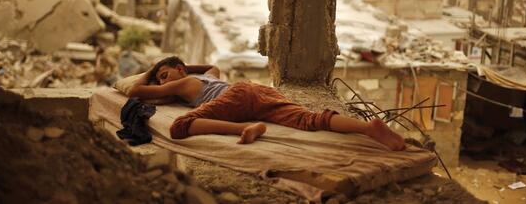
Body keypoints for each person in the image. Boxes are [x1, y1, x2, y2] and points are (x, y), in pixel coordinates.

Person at [128, 56, 405, 151]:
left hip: (233, 99)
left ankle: (245, 129)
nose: (163, 83)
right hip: (254, 90)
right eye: (160, 79)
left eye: (165, 76)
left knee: (181, 126)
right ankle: (368, 128)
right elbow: (212, 64)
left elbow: (136, 90)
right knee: (307, 118)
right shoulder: (210, 75)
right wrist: (177, 68)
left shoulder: (183, 82)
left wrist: (154, 71)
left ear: (180, 68)